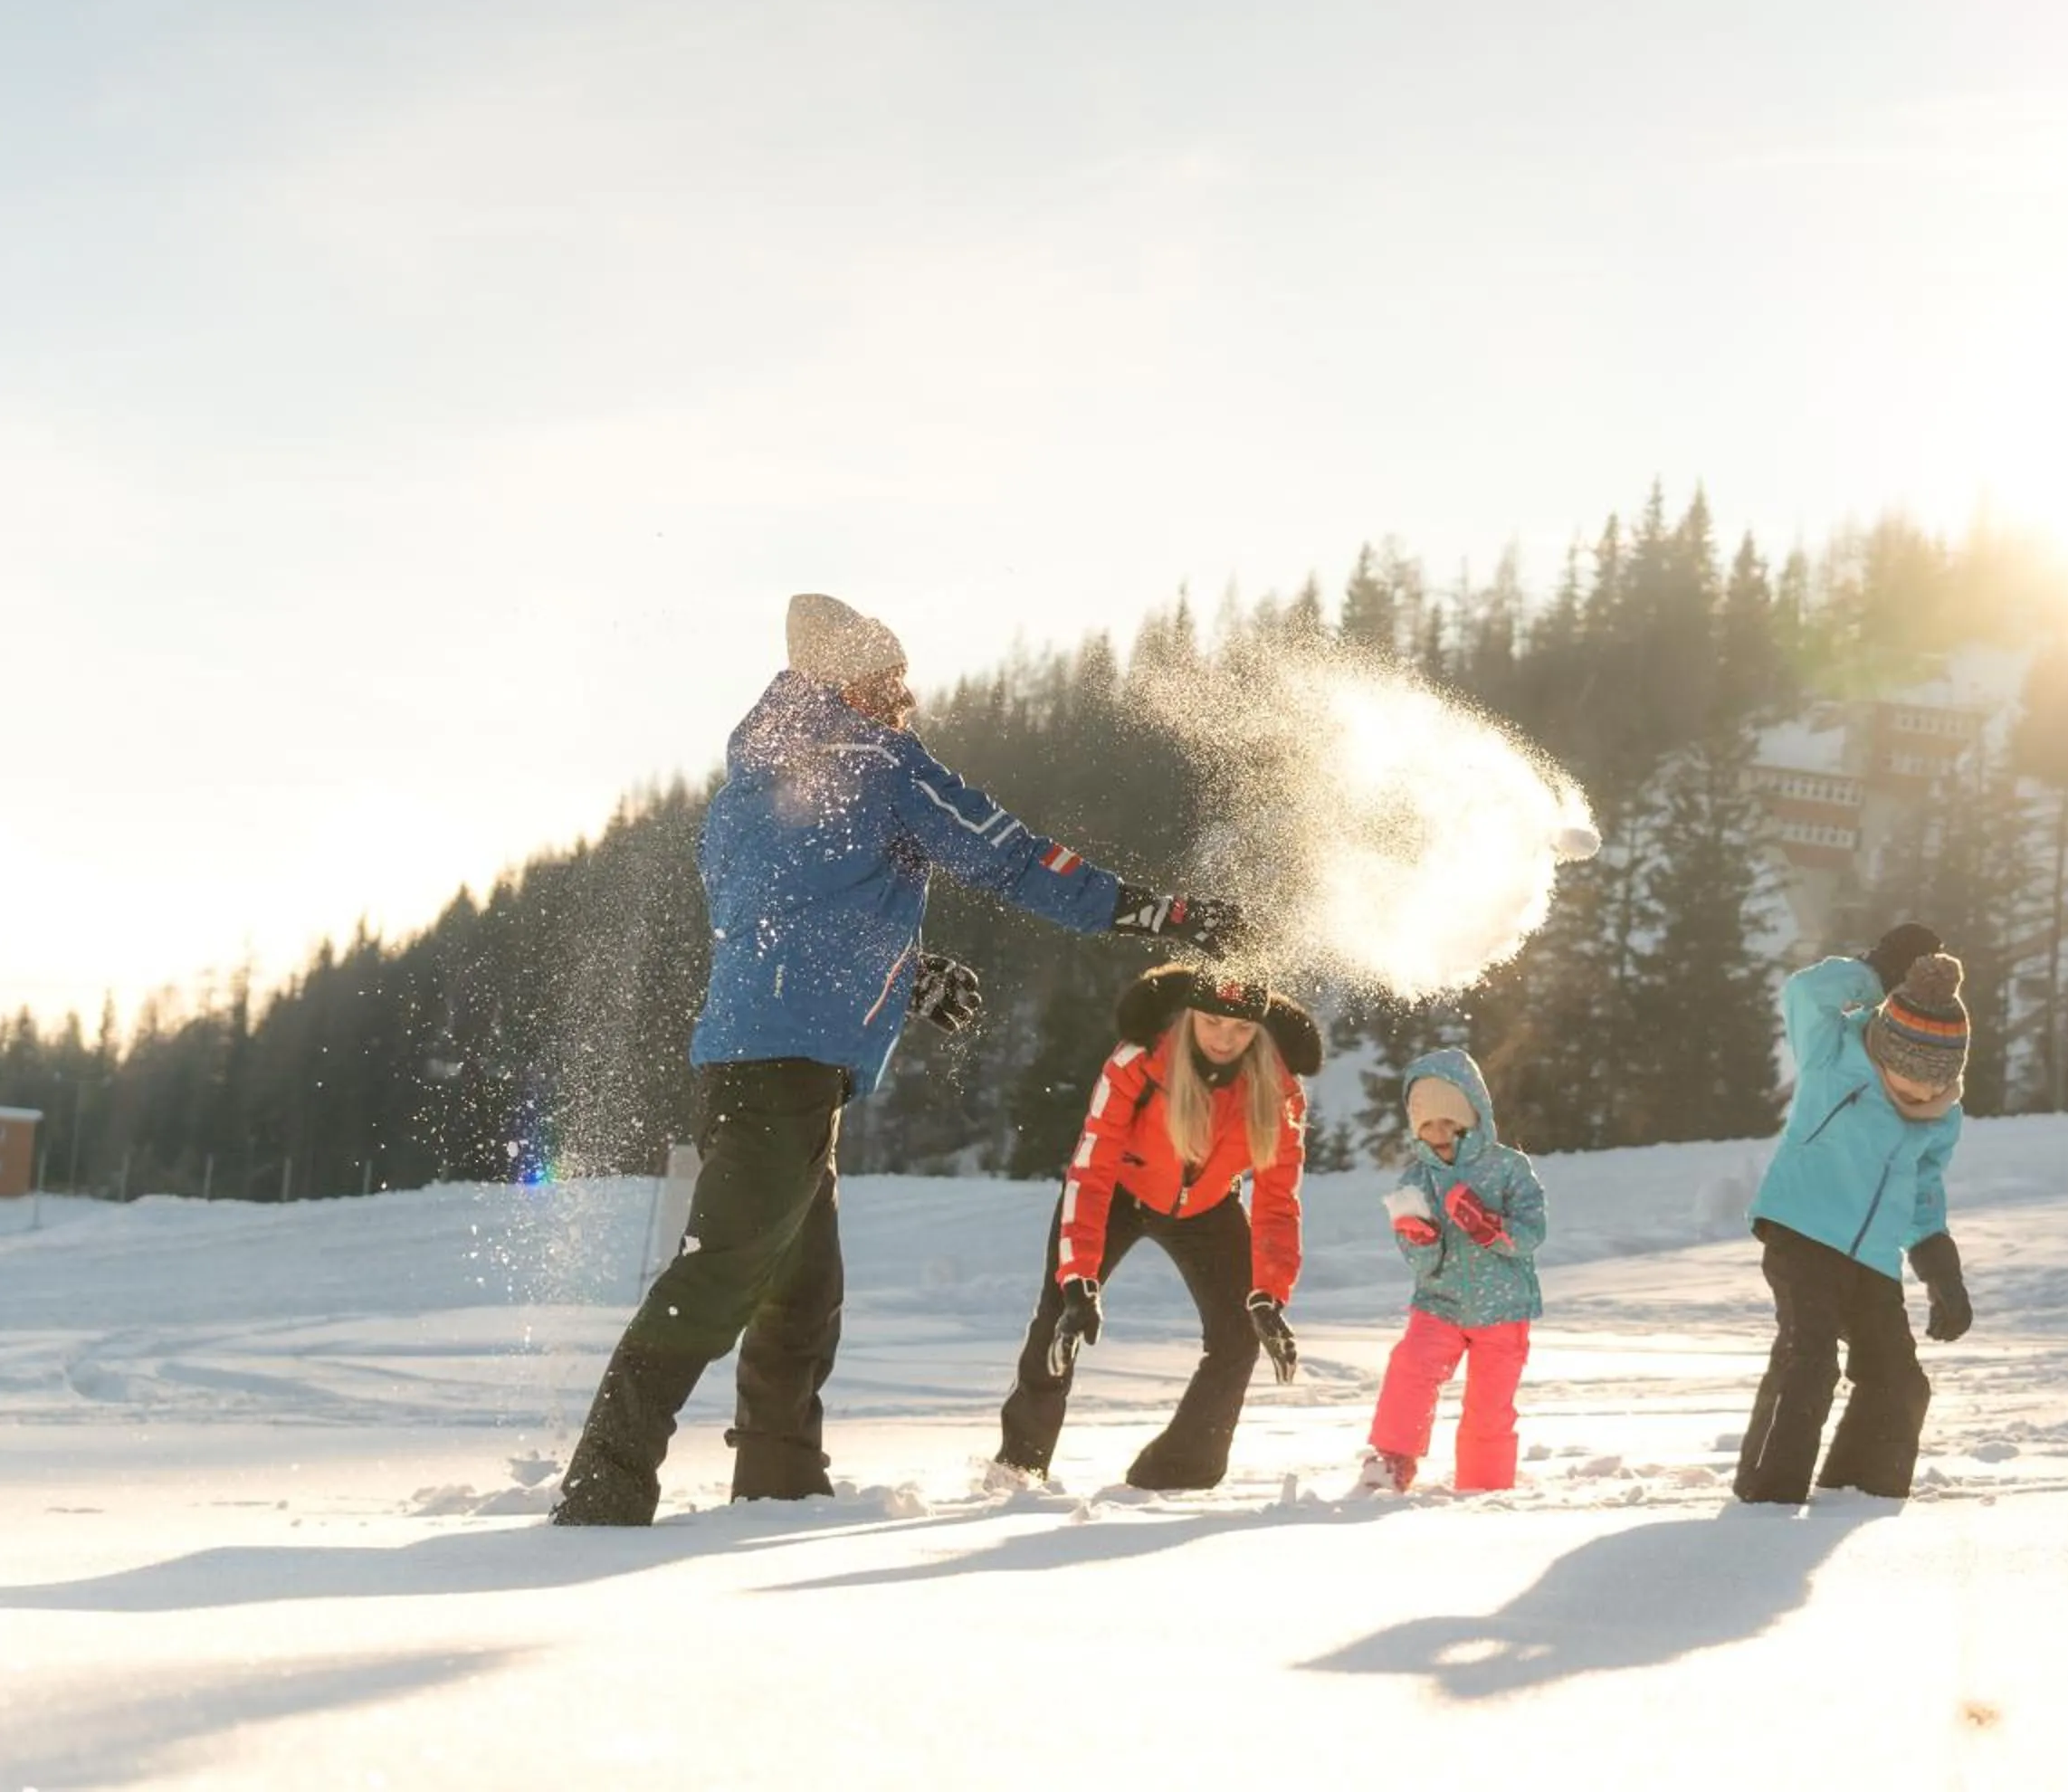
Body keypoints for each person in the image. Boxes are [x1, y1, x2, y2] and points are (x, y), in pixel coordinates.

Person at [553, 595, 1246, 1527]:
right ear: (845, 686)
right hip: (790, 1065)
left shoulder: (741, 796)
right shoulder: (880, 764)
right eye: (891, 680)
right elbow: (1010, 855)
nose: (907, 697)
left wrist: (903, 971)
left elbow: (787, 926)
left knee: (802, 1291)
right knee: (722, 1274)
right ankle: (605, 1480)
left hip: (743, 1059)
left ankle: (779, 1484)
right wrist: (1157, 913)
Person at [989, 962, 1321, 1492]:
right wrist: (1078, 1280)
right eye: (1212, 1022)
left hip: (1207, 1209)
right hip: (1119, 1192)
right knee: (1061, 1317)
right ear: (1190, 1014)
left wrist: (1269, 1293)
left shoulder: (1280, 1092)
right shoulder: (1138, 1063)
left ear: (1259, 1030)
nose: (1224, 1038)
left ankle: (1176, 1475)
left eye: (1240, 1029)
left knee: (1239, 1336)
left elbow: (1278, 1203)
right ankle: (1019, 1465)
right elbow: (1090, 1171)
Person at [1733, 923, 1975, 1505]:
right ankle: (1766, 1501)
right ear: (1885, 1048)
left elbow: (1923, 1188)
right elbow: (1804, 991)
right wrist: (1872, 973)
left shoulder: (1941, 1115)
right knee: (1808, 1362)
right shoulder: (1832, 1055)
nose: (1920, 1098)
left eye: (1933, 1088)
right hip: (1801, 1229)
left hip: (1871, 1256)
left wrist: (1940, 1268)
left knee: (1899, 1380)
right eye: (1909, 1084)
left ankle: (1859, 1495)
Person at [1357, 1048, 1547, 1494]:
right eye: (1426, 1123)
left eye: (1449, 1121)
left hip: (1502, 1308)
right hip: (1438, 1303)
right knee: (1409, 1370)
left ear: (1473, 1114)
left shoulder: (1508, 1168)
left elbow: (1533, 1231)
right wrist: (1421, 1241)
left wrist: (1489, 1228)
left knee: (1489, 1404)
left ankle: (1482, 1486)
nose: (1438, 1133)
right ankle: (1392, 1462)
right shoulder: (1416, 1179)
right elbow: (1415, 1257)